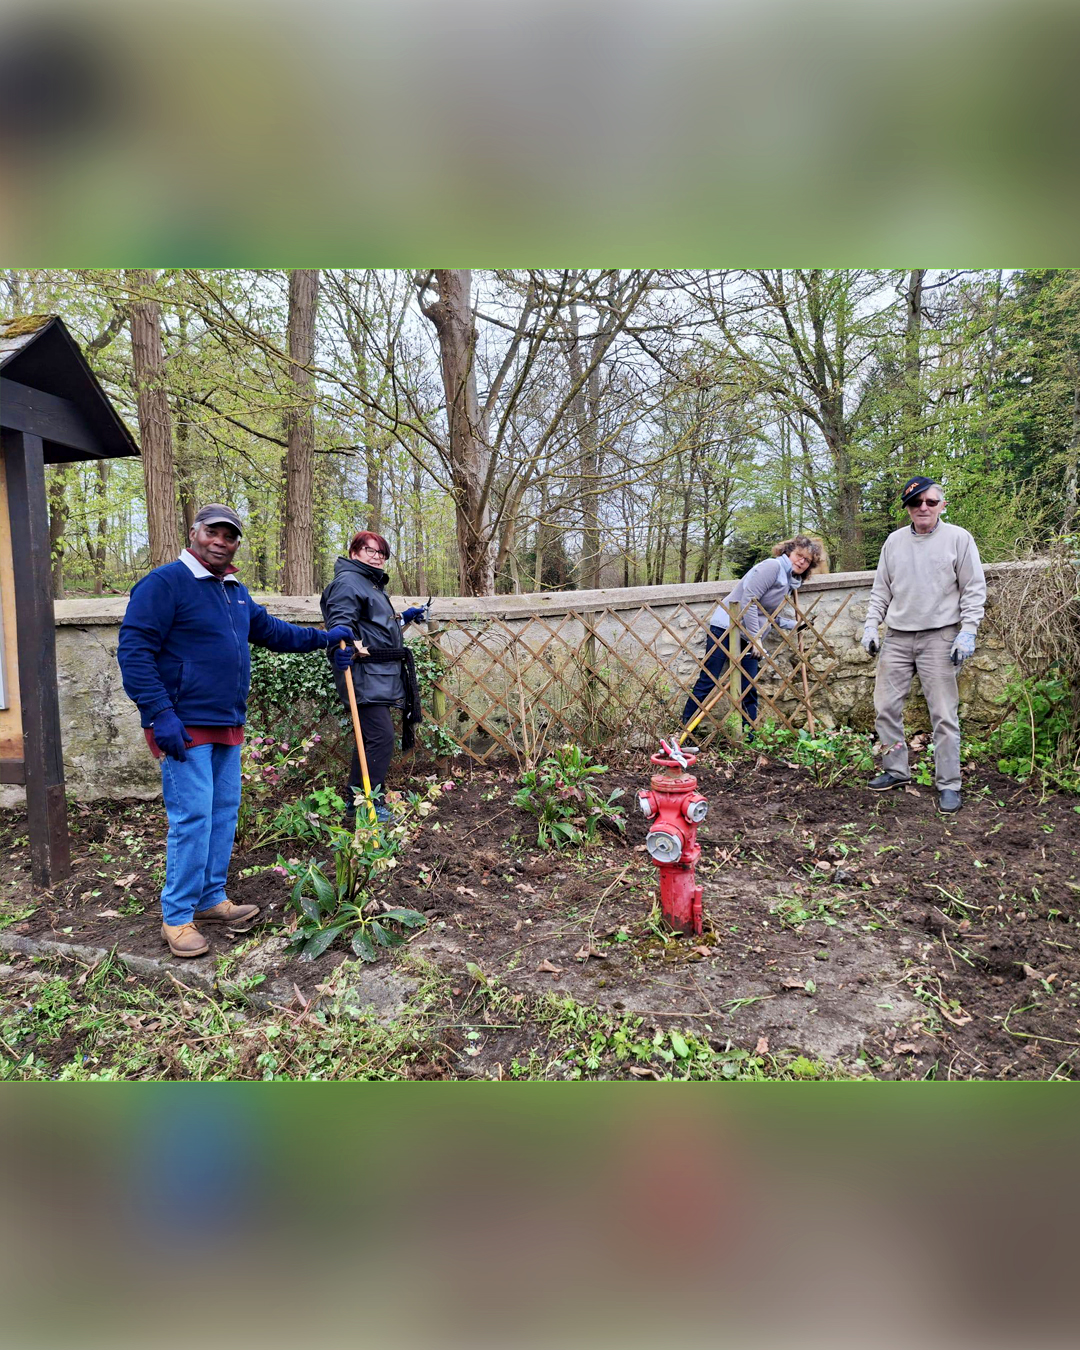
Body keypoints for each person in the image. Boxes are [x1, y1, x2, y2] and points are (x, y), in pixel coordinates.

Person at [117, 504, 355, 958]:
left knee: (223, 811)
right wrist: (159, 712)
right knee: (192, 817)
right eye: (213, 532)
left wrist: (327, 638)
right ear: (194, 533)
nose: (221, 541)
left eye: (230, 536)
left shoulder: (234, 591)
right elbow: (134, 650)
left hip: (226, 721)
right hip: (182, 724)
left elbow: (275, 633)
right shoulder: (165, 583)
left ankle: (210, 899)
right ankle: (177, 916)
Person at [862, 476, 986, 813]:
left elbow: (973, 588)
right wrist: (872, 625)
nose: (923, 508)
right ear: (908, 508)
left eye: (931, 502)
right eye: (916, 503)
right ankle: (896, 770)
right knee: (886, 707)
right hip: (897, 637)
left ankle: (949, 784)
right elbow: (881, 589)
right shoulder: (894, 542)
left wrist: (968, 630)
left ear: (942, 505)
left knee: (943, 714)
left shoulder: (958, 538)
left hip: (940, 637)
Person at [320, 530, 425, 826]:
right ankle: (369, 804)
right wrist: (340, 649)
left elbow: (374, 626)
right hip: (363, 673)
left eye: (382, 553)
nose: (377, 557)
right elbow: (341, 623)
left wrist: (403, 617)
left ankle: (357, 805)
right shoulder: (347, 582)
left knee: (371, 740)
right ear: (354, 552)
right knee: (381, 737)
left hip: (379, 674)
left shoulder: (369, 583)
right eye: (371, 550)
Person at [681, 535, 826, 732]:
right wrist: (756, 639)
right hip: (726, 627)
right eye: (799, 555)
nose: (802, 561)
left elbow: (766, 615)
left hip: (747, 636)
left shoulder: (788, 581)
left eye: (807, 560)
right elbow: (749, 601)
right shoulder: (772, 567)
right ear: (788, 552)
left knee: (748, 686)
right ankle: (684, 731)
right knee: (709, 680)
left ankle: (748, 736)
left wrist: (796, 624)